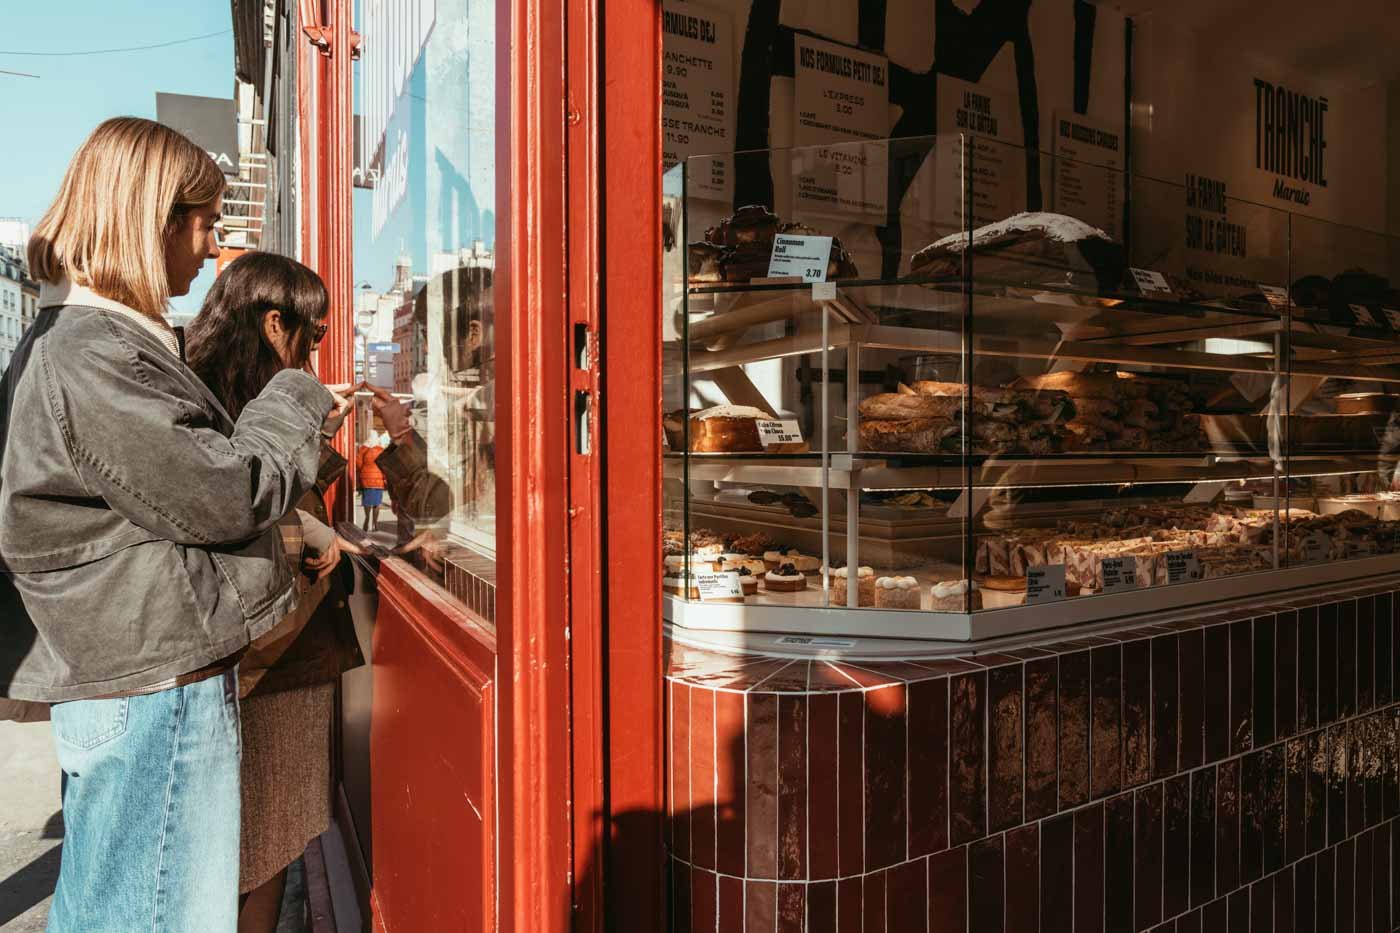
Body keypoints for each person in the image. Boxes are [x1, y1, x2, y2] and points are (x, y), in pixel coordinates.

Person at [0, 117, 351, 932]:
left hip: (138, 669)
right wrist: (299, 393)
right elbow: (227, 493)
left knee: (120, 902)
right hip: (152, 679)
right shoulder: (92, 351)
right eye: (204, 222)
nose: (211, 244)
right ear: (153, 217)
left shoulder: (87, 342)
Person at [185, 252, 366, 933]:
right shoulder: (217, 405)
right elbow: (233, 520)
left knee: (260, 847)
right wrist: (310, 533)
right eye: (313, 333)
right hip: (268, 661)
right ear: (272, 325)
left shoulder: (199, 393)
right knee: (258, 852)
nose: (317, 347)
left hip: (265, 660)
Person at [358, 432, 388, 532]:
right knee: (377, 503)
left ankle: (366, 520)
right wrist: (384, 477)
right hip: (378, 480)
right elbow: (384, 466)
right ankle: (375, 524)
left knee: (367, 502)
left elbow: (358, 464)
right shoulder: (381, 450)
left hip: (366, 479)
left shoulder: (363, 449)